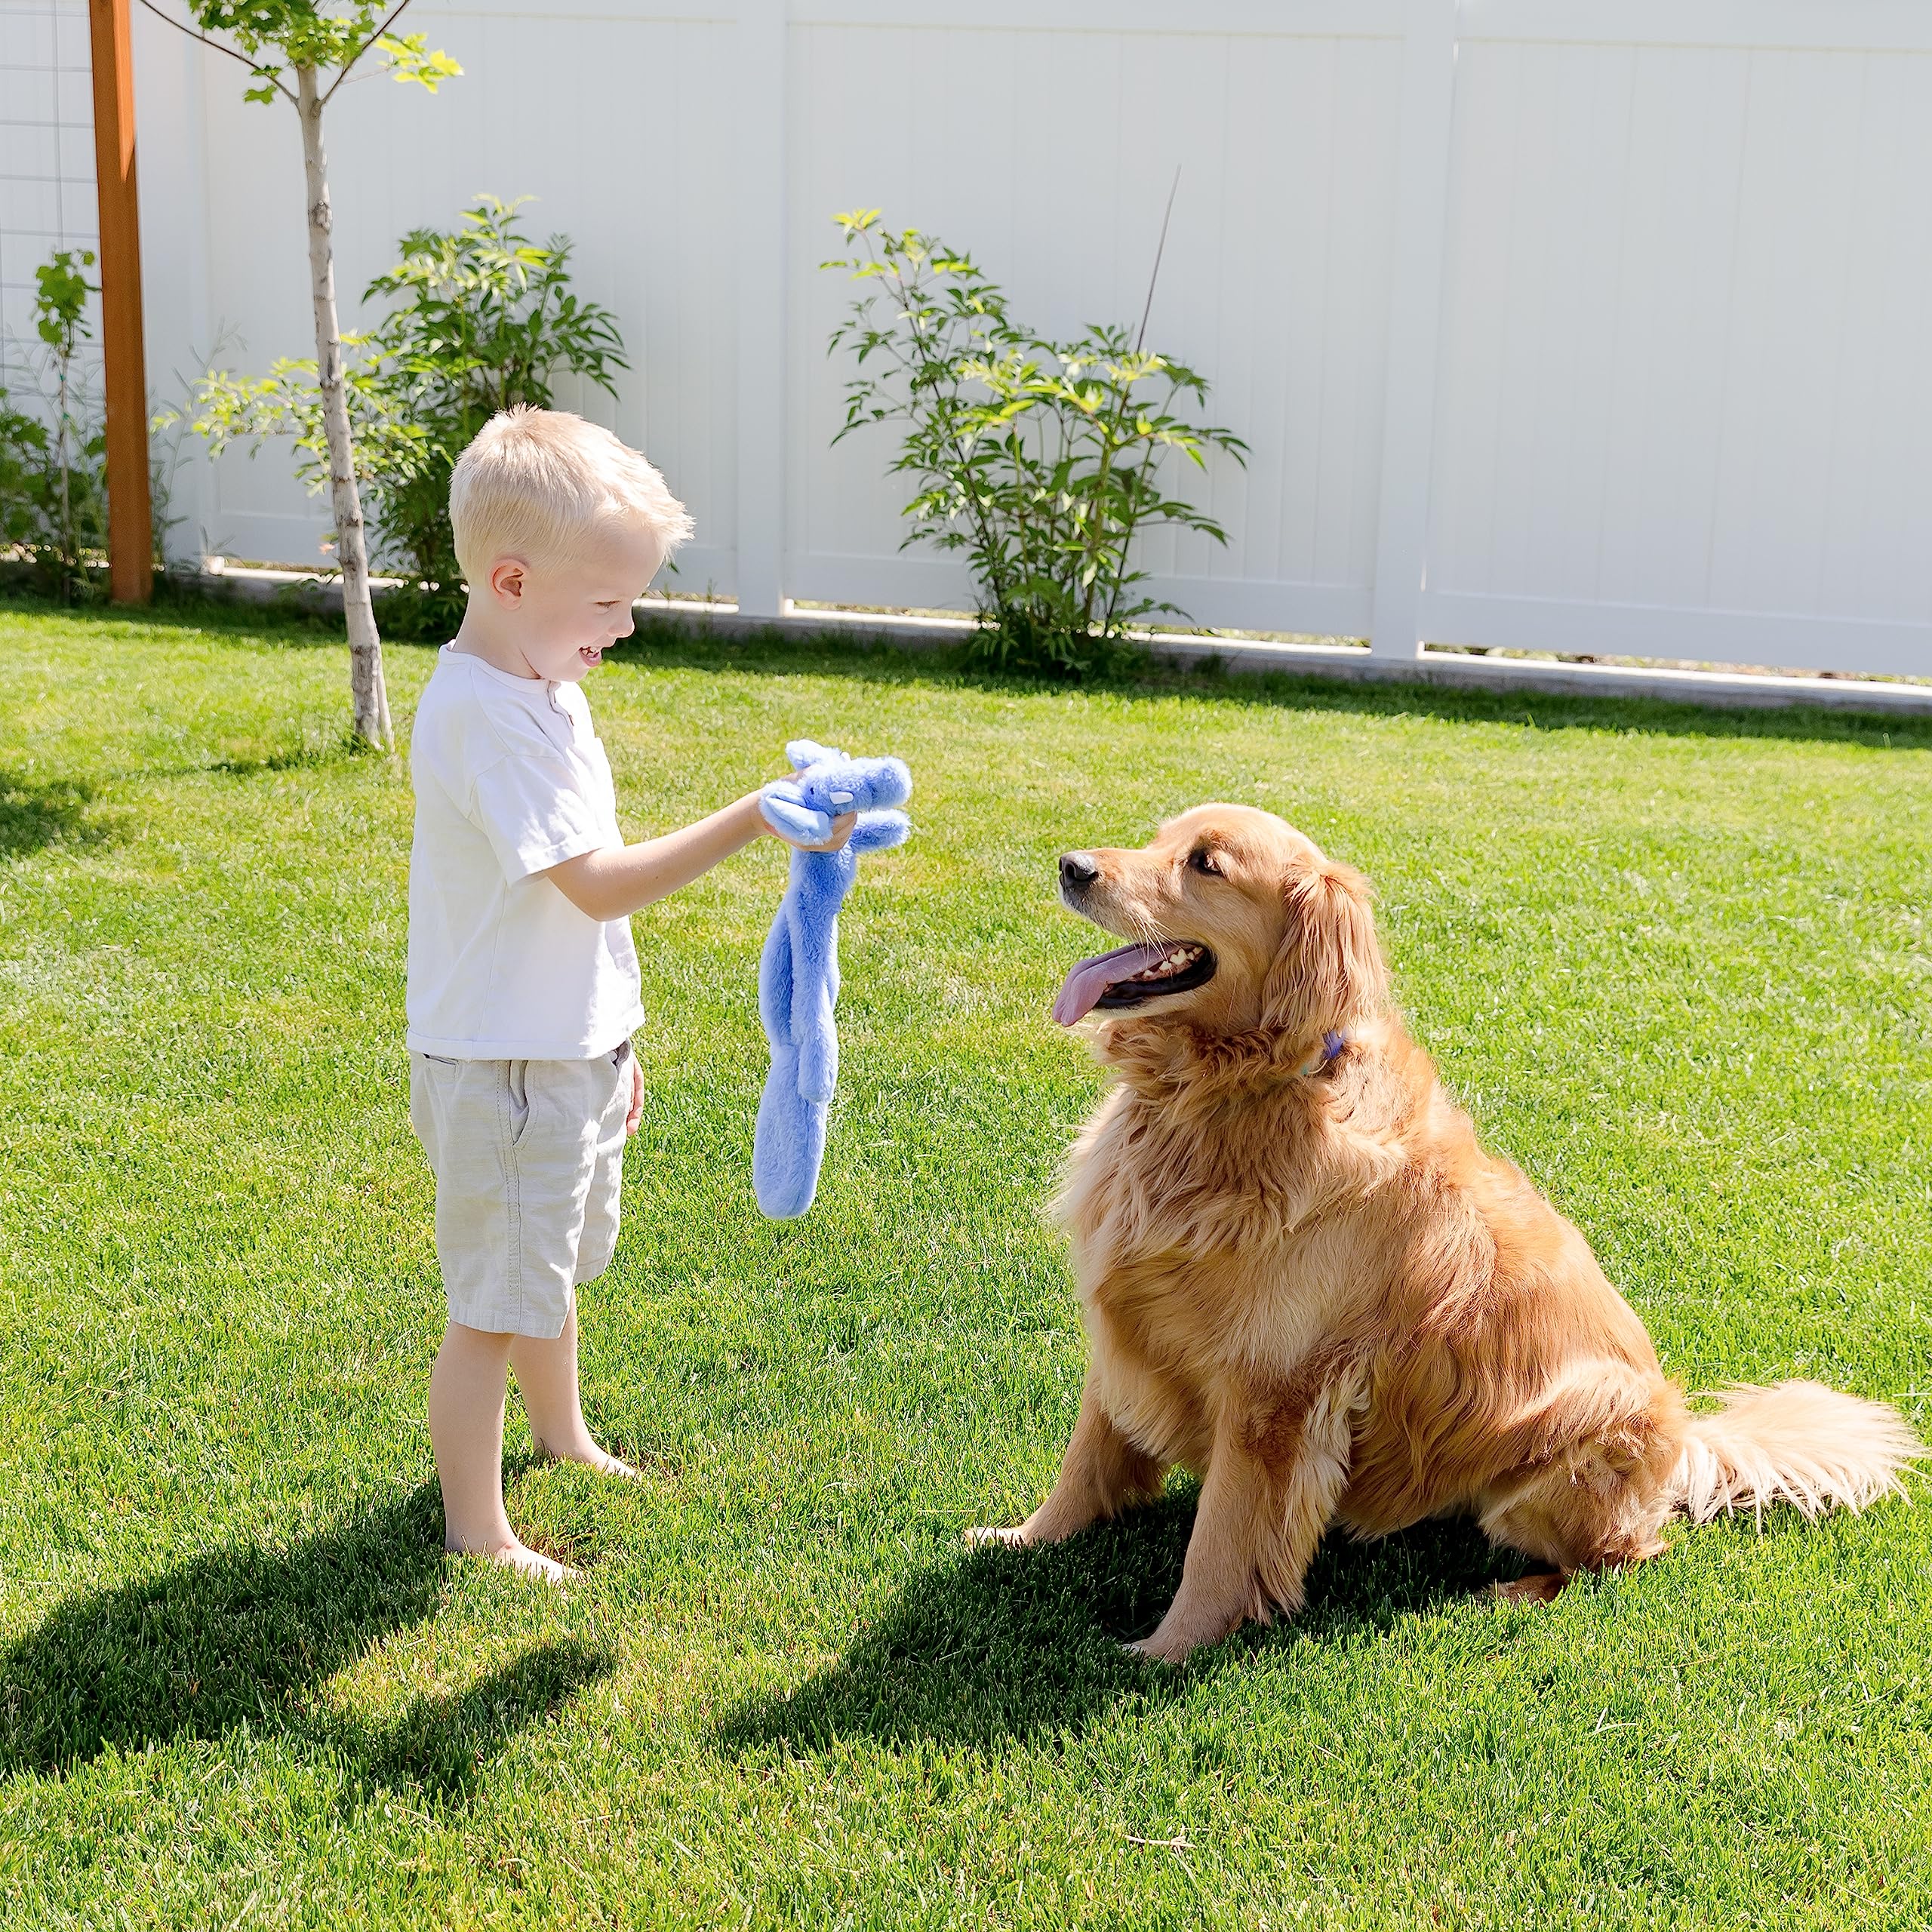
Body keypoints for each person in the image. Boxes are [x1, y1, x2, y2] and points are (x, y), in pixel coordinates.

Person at [405, 406, 850, 1580]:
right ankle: (475, 1527)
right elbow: (598, 885)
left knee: (545, 1272)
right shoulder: (488, 723)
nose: (628, 623)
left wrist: (611, 1045)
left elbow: (561, 915)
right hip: (503, 1068)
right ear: (511, 580)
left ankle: (564, 1438)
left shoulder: (543, 683)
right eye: (608, 603)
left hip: (561, 1053)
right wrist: (754, 818)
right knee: (495, 1304)